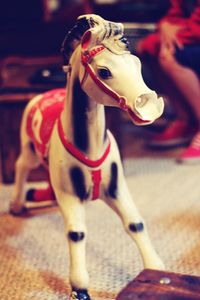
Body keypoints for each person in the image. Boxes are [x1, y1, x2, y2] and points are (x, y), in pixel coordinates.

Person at [136, 0, 200, 163]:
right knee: (150, 48)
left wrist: (172, 37)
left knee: (168, 55)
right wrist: (165, 26)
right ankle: (185, 121)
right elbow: (174, 14)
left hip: (194, 36)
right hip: (192, 35)